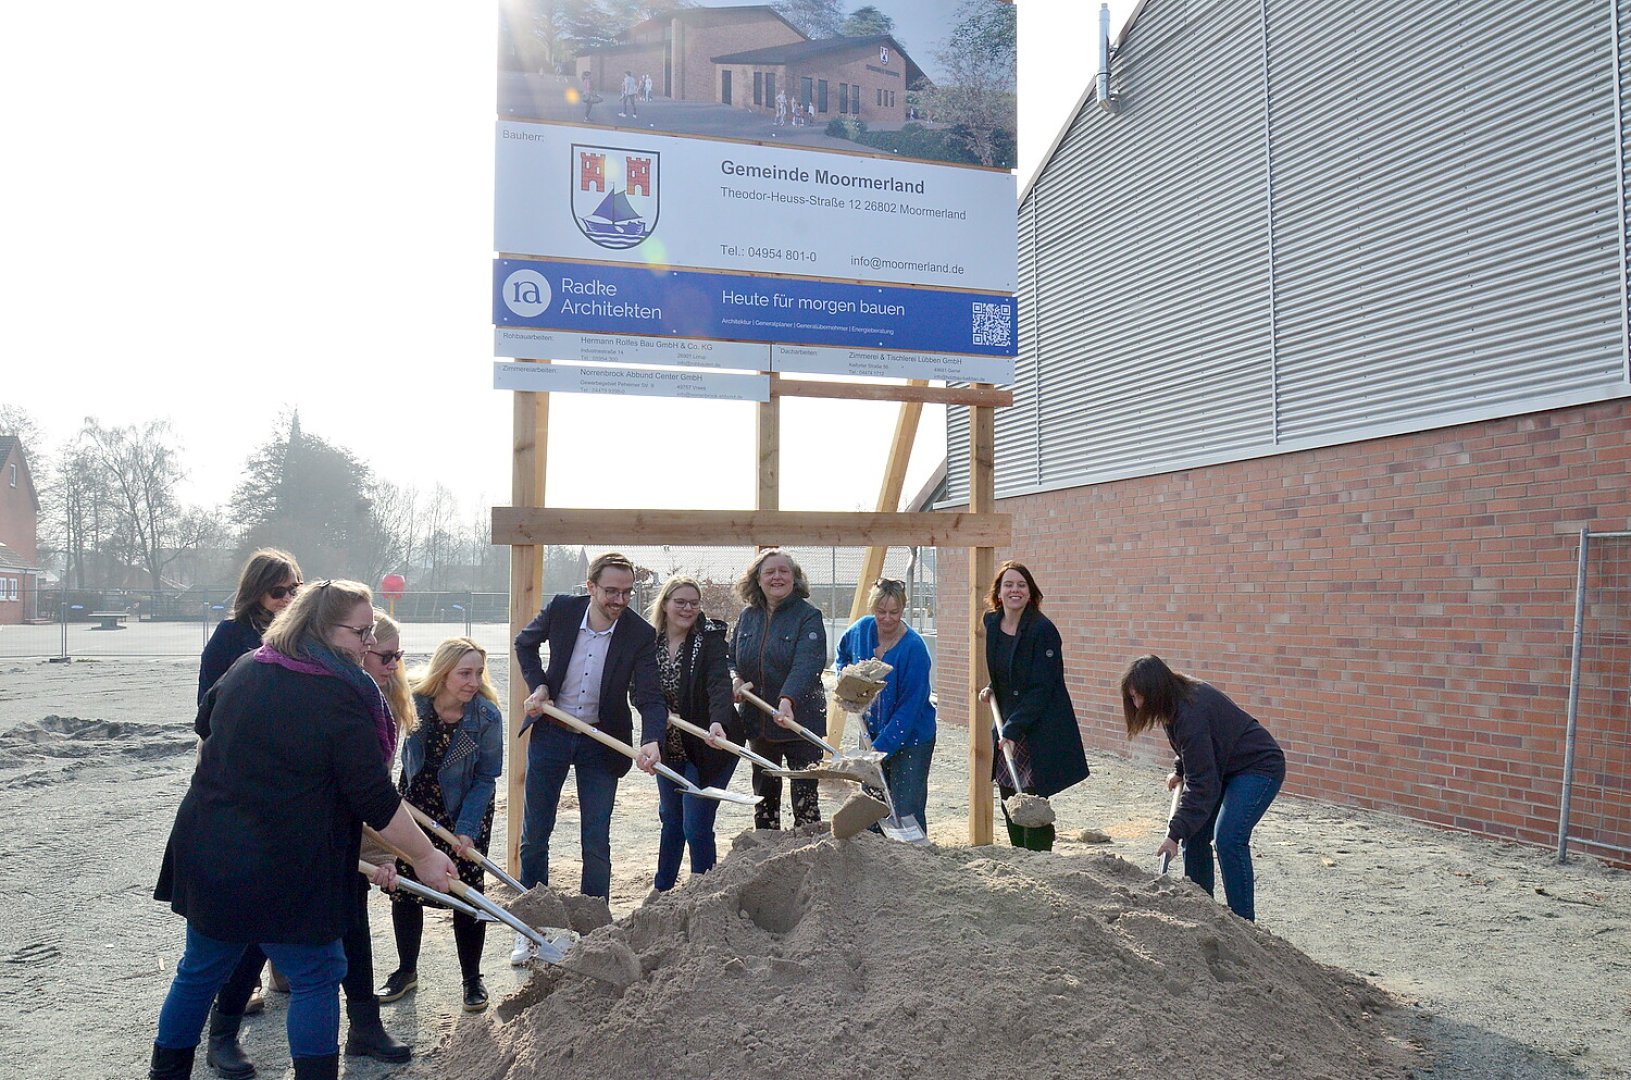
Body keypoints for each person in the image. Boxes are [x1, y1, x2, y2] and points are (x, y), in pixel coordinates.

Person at [148, 580, 455, 1080]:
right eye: (359, 632)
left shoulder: (249, 666)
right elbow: (373, 796)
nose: (367, 643)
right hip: (280, 858)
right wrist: (423, 855)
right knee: (315, 976)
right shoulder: (339, 693)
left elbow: (205, 730)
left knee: (199, 972)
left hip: (212, 846)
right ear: (319, 627)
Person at [513, 552, 666, 961]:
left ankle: (594, 929)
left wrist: (652, 739)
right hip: (552, 733)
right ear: (591, 587)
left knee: (595, 839)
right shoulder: (563, 610)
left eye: (626, 592)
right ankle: (530, 928)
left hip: (602, 740)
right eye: (611, 591)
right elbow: (524, 643)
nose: (619, 600)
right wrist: (540, 685)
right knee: (535, 836)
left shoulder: (639, 633)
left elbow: (650, 696)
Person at [193, 547, 302, 1078]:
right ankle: (226, 1008)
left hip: (287, 786)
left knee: (283, 891)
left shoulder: (300, 634)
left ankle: (279, 965)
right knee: (239, 900)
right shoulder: (231, 637)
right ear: (256, 591)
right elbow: (206, 716)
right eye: (279, 590)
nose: (288, 599)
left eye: (294, 589)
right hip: (237, 786)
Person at [378, 637, 504, 1011]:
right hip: (414, 804)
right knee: (405, 888)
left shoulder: (486, 716)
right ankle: (406, 970)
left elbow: (486, 778)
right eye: (464, 673)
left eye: (478, 673)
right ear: (443, 673)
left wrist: (467, 828)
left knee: (466, 893)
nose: (473, 681)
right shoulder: (415, 703)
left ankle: (471, 978)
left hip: (464, 809)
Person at [1121, 654, 1286, 922]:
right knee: (1195, 835)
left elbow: (1202, 785)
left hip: (1258, 767)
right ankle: (1204, 913)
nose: (1137, 704)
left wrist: (1173, 835)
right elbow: (1197, 749)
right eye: (1132, 698)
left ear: (1156, 690)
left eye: (1140, 696)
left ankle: (1243, 924)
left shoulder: (1190, 710)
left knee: (1228, 838)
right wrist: (1180, 769)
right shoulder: (1171, 703)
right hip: (1225, 766)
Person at [326, 612, 415, 1063]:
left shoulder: (388, 701)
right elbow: (350, 790)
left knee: (354, 929)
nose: (394, 665)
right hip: (312, 836)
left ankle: (363, 1028)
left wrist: (382, 853)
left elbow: (375, 791)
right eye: (386, 655)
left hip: (349, 836)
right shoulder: (340, 700)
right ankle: (224, 1024)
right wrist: (384, 850)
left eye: (400, 655)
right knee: (265, 934)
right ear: (358, 650)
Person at [978, 561, 1089, 851]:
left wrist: (1013, 730)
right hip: (1008, 723)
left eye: (1021, 585)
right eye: (1009, 585)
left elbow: (1042, 687)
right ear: (999, 593)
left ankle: (1039, 857)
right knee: (1008, 796)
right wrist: (993, 688)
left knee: (1031, 800)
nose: (1015, 590)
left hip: (1037, 726)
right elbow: (1005, 670)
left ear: (1031, 593)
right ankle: (1020, 854)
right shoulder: (992, 622)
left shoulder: (1042, 630)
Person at [649, 576, 739, 892]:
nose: (687, 609)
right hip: (669, 746)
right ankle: (662, 892)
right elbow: (640, 689)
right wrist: (658, 714)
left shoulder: (708, 639)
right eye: (680, 602)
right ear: (665, 604)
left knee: (695, 824)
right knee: (671, 820)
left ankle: (705, 893)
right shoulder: (650, 642)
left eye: (693, 603)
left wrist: (718, 722)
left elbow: (719, 684)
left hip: (709, 745)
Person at [730, 548, 828, 830]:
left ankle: (809, 851)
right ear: (758, 580)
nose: (777, 577)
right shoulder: (748, 617)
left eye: (783, 571)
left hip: (799, 722)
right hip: (759, 723)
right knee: (764, 799)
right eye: (769, 572)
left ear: (794, 578)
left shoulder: (808, 616)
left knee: (804, 797)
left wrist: (788, 699)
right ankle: (768, 853)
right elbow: (730, 658)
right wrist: (735, 678)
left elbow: (807, 664)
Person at [833, 578, 936, 833]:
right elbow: (842, 654)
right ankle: (874, 860)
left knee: (905, 808)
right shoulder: (861, 630)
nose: (887, 618)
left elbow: (909, 710)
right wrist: (846, 681)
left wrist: (878, 752)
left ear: (903, 610)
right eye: (881, 612)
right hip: (870, 731)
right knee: (872, 804)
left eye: (894, 612)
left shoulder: (914, 648)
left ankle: (912, 858)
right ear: (873, 609)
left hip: (912, 737)